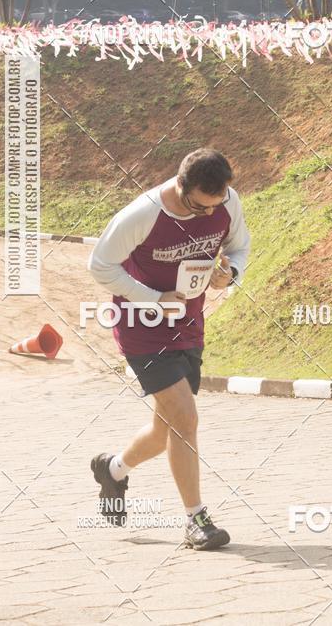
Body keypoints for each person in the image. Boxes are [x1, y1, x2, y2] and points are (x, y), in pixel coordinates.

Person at [87, 148, 250, 550]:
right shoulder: (142, 215)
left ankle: (114, 469)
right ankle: (196, 520)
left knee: (169, 428)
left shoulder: (225, 204)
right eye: (201, 207)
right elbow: (100, 265)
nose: (211, 215)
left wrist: (229, 274)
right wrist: (152, 298)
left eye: (217, 204)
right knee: (185, 416)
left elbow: (239, 248)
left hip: (189, 325)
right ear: (182, 186)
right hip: (142, 328)